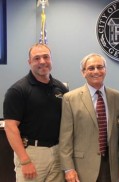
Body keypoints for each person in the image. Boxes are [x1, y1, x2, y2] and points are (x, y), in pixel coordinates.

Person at [59, 53, 119, 182]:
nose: (96, 71)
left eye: (100, 67)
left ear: (105, 70)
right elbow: (65, 138)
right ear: (83, 72)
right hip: (83, 168)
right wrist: (68, 168)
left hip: (112, 166)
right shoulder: (70, 99)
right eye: (91, 68)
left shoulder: (118, 97)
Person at [3, 43, 68, 181]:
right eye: (37, 58)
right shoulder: (18, 90)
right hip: (32, 153)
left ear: (51, 59)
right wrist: (25, 161)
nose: (42, 61)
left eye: (46, 57)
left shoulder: (60, 87)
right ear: (29, 62)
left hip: (58, 152)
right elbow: (10, 127)